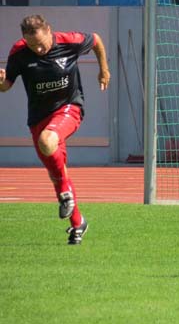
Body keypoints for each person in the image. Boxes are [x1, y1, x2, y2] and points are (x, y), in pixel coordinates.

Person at [0, 15, 110, 245]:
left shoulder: (69, 41)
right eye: (32, 45)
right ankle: (78, 224)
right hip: (38, 118)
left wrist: (104, 70)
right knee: (56, 173)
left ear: (49, 31)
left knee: (48, 140)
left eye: (42, 43)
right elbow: (6, 86)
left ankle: (66, 196)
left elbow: (97, 40)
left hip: (70, 108)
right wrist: (0, 81)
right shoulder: (19, 52)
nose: (38, 49)